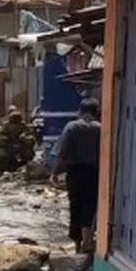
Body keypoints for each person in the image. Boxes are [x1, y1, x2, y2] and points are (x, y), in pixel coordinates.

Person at [52, 98, 102, 255]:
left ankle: (77, 244)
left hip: (75, 173)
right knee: (90, 205)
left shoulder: (72, 127)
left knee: (76, 206)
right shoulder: (101, 128)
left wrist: (54, 173)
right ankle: (88, 238)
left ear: (80, 111)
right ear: (96, 112)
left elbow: (62, 154)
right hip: (95, 172)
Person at [0, 110, 36, 175]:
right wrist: (5, 139)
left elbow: (30, 134)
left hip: (19, 146)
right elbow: (2, 135)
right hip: (8, 146)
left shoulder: (22, 125)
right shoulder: (6, 126)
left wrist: (24, 136)